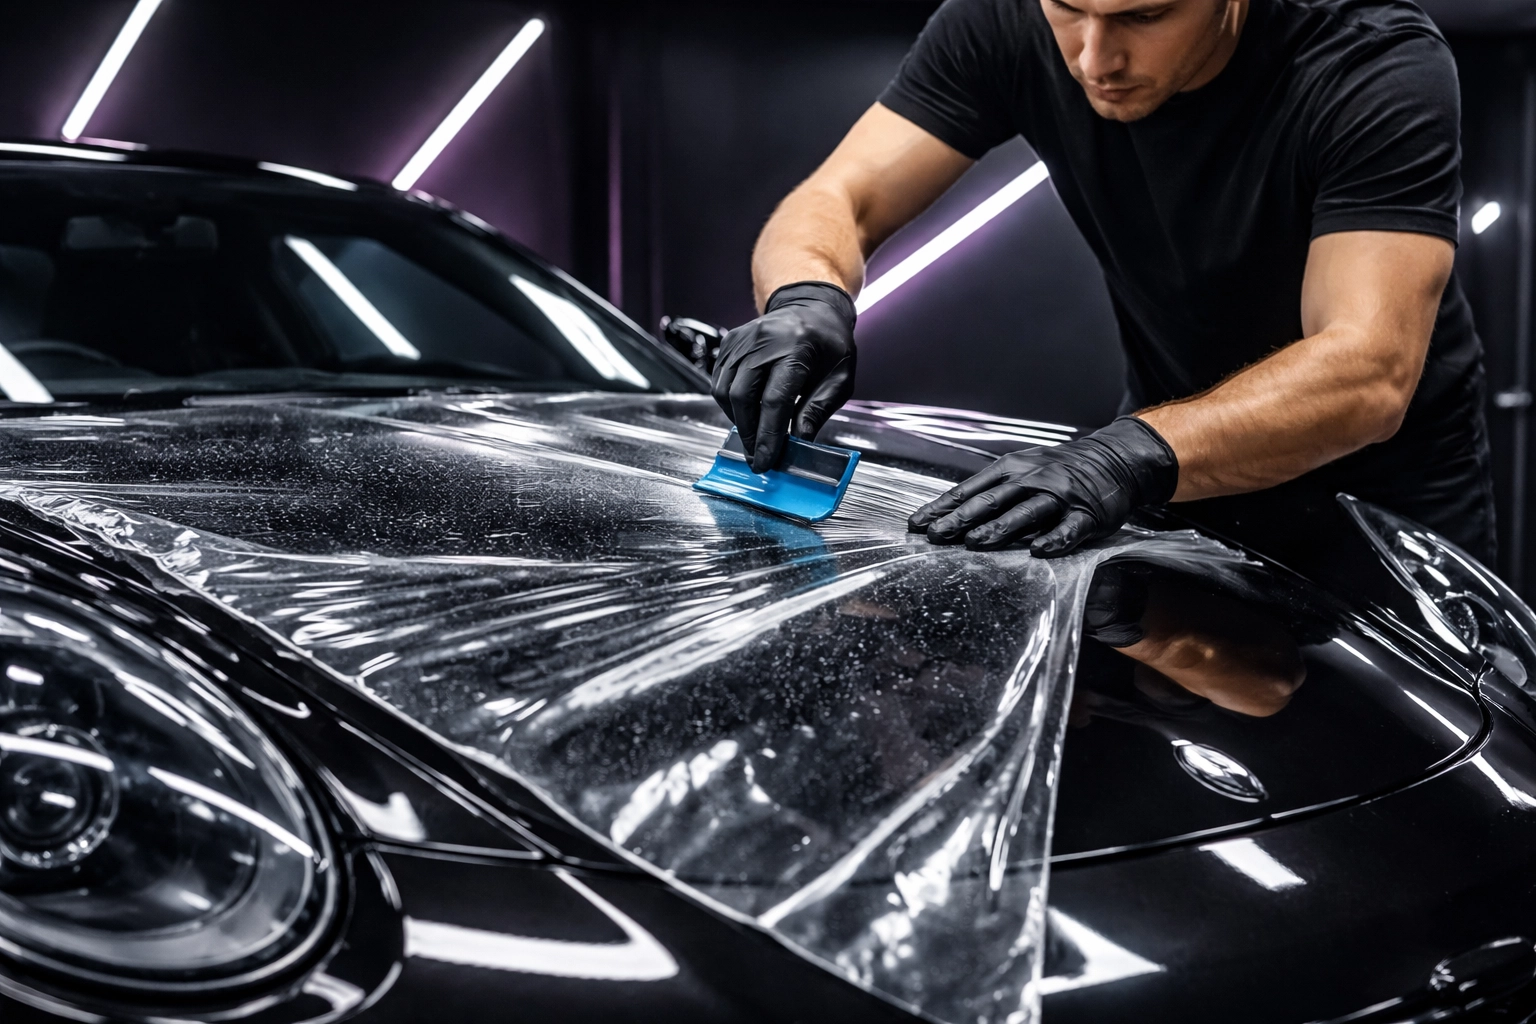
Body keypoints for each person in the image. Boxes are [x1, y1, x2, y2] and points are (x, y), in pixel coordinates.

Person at [709, 0, 1495, 563]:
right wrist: (807, 294)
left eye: (1144, 17)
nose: (1093, 58)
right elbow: (838, 196)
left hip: (1383, 498)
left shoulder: (1372, 63)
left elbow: (1367, 369)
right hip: (1163, 456)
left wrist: (1118, 459)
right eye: (1067, 9)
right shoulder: (1002, 22)